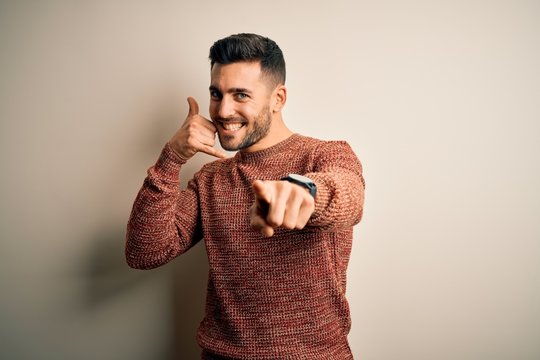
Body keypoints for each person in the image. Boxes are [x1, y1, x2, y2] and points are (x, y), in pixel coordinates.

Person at [126, 33, 365, 360]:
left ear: (278, 99)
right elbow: (144, 251)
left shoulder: (324, 156)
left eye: (240, 95)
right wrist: (172, 157)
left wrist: (305, 193)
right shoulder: (210, 180)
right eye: (216, 93)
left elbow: (347, 195)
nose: (223, 110)